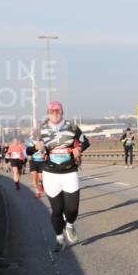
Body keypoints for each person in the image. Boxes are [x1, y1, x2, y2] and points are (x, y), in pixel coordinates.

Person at [39, 101, 90, 250]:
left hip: (69, 171)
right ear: (47, 113)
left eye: (58, 111)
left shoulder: (72, 127)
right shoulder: (40, 130)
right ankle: (59, 239)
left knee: (72, 209)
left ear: (62, 112)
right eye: (52, 111)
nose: (55, 113)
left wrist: (79, 149)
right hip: (50, 173)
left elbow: (85, 142)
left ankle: (70, 225)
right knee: (57, 210)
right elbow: (29, 149)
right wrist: (36, 148)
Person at [26, 134, 46, 199]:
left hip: (41, 162)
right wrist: (29, 156)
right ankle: (37, 193)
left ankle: (42, 184)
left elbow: (46, 152)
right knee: (34, 177)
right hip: (33, 162)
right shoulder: (31, 144)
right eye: (36, 138)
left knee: (41, 178)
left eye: (38, 138)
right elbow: (27, 151)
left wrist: (44, 155)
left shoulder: (44, 144)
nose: (37, 139)